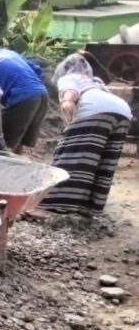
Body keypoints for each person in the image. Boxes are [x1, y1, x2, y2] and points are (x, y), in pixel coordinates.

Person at [32, 52, 133, 217]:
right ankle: (90, 206)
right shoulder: (95, 80)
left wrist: (67, 101)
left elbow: (70, 91)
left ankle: (51, 203)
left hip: (95, 110)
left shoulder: (69, 77)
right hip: (122, 112)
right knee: (103, 161)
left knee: (71, 156)